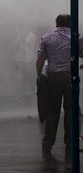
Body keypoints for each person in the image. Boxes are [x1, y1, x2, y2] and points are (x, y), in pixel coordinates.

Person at [36, 14, 83, 159]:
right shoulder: (77, 37)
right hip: (70, 78)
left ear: (56, 23)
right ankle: (70, 145)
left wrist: (40, 77)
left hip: (53, 79)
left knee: (52, 113)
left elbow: (40, 59)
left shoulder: (47, 38)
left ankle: (47, 145)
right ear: (70, 23)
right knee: (71, 113)